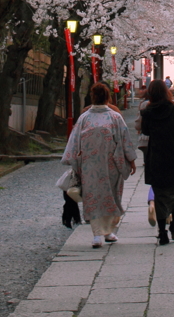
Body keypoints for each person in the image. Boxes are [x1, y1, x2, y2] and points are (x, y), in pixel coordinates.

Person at [61, 82, 137, 249]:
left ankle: (97, 234)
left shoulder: (84, 118)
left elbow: (74, 141)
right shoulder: (115, 117)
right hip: (112, 164)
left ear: (92, 97)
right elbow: (125, 140)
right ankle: (108, 231)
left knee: (93, 197)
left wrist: (73, 161)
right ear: (108, 97)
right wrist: (131, 160)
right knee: (112, 196)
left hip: (89, 166)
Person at [141, 78, 174, 245]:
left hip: (157, 156)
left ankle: (162, 232)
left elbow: (145, 131)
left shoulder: (148, 112)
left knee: (160, 194)